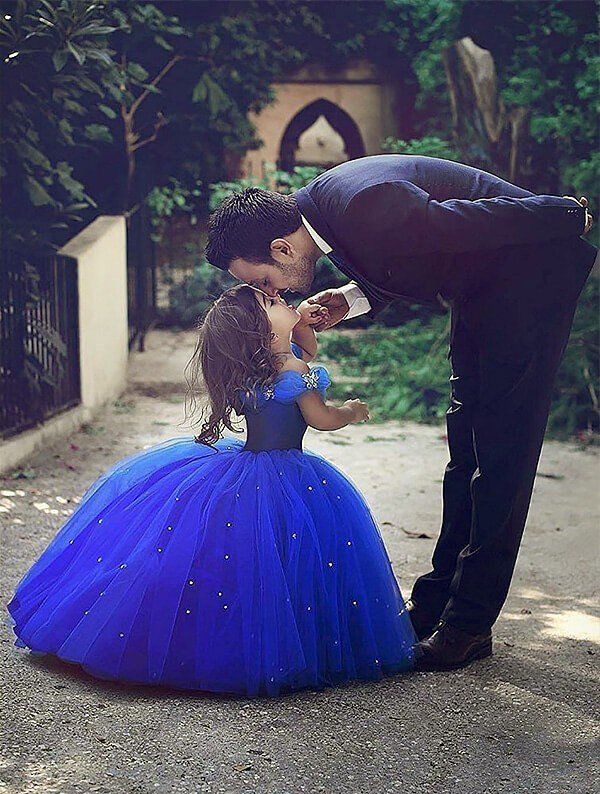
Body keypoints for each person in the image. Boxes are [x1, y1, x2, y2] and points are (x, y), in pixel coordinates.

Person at [204, 154, 597, 671]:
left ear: (281, 248)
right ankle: (434, 604)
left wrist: (563, 211)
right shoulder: (328, 212)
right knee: (466, 449)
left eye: (265, 280)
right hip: (484, 287)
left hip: (530, 277)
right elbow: (416, 251)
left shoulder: (358, 205)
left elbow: (467, 222)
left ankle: (469, 624)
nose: (275, 293)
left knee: (503, 452)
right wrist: (352, 299)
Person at [7, 283, 417, 696]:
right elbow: (321, 418)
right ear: (261, 330)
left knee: (244, 553)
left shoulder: (258, 368)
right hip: (287, 471)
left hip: (253, 465)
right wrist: (350, 411)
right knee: (285, 551)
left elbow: (305, 349)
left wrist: (300, 323)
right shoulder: (293, 371)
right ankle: (279, 644)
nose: (282, 298)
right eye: (271, 301)